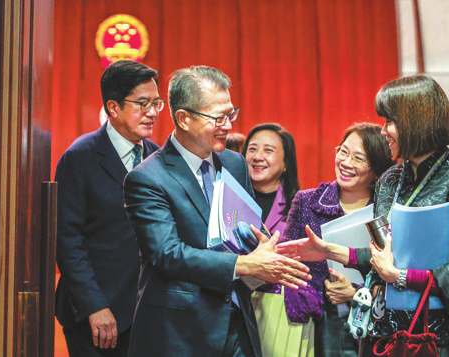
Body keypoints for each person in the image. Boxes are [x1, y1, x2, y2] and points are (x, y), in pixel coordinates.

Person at [277, 74, 449, 357]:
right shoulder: (390, 180)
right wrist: (328, 250)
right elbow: (382, 258)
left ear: (415, 123)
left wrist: (400, 276)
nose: (384, 131)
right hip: (384, 336)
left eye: (390, 121)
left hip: (443, 342)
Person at [122, 65, 311, 357]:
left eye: (231, 114)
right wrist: (242, 265)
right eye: (218, 117)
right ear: (183, 119)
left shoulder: (234, 164)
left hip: (238, 322)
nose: (228, 125)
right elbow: (167, 254)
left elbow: (247, 229)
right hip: (181, 330)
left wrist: (266, 253)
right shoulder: (148, 178)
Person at [55, 60, 162, 356]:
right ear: (113, 108)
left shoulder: (157, 158)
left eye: (156, 103)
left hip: (147, 313)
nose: (152, 113)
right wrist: (94, 306)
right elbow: (67, 241)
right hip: (97, 314)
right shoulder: (80, 157)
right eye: (143, 104)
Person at [277, 123, 394, 357]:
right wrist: (318, 292)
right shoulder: (307, 202)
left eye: (359, 158)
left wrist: (356, 293)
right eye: (343, 151)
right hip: (319, 325)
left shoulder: (387, 213)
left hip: (378, 328)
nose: (346, 163)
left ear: (377, 169)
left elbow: (398, 275)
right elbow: (288, 264)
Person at [241, 123, 305, 356]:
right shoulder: (227, 199)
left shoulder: (300, 207)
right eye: (252, 149)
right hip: (229, 307)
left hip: (277, 312)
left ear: (286, 163)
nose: (258, 157)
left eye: (268, 150)